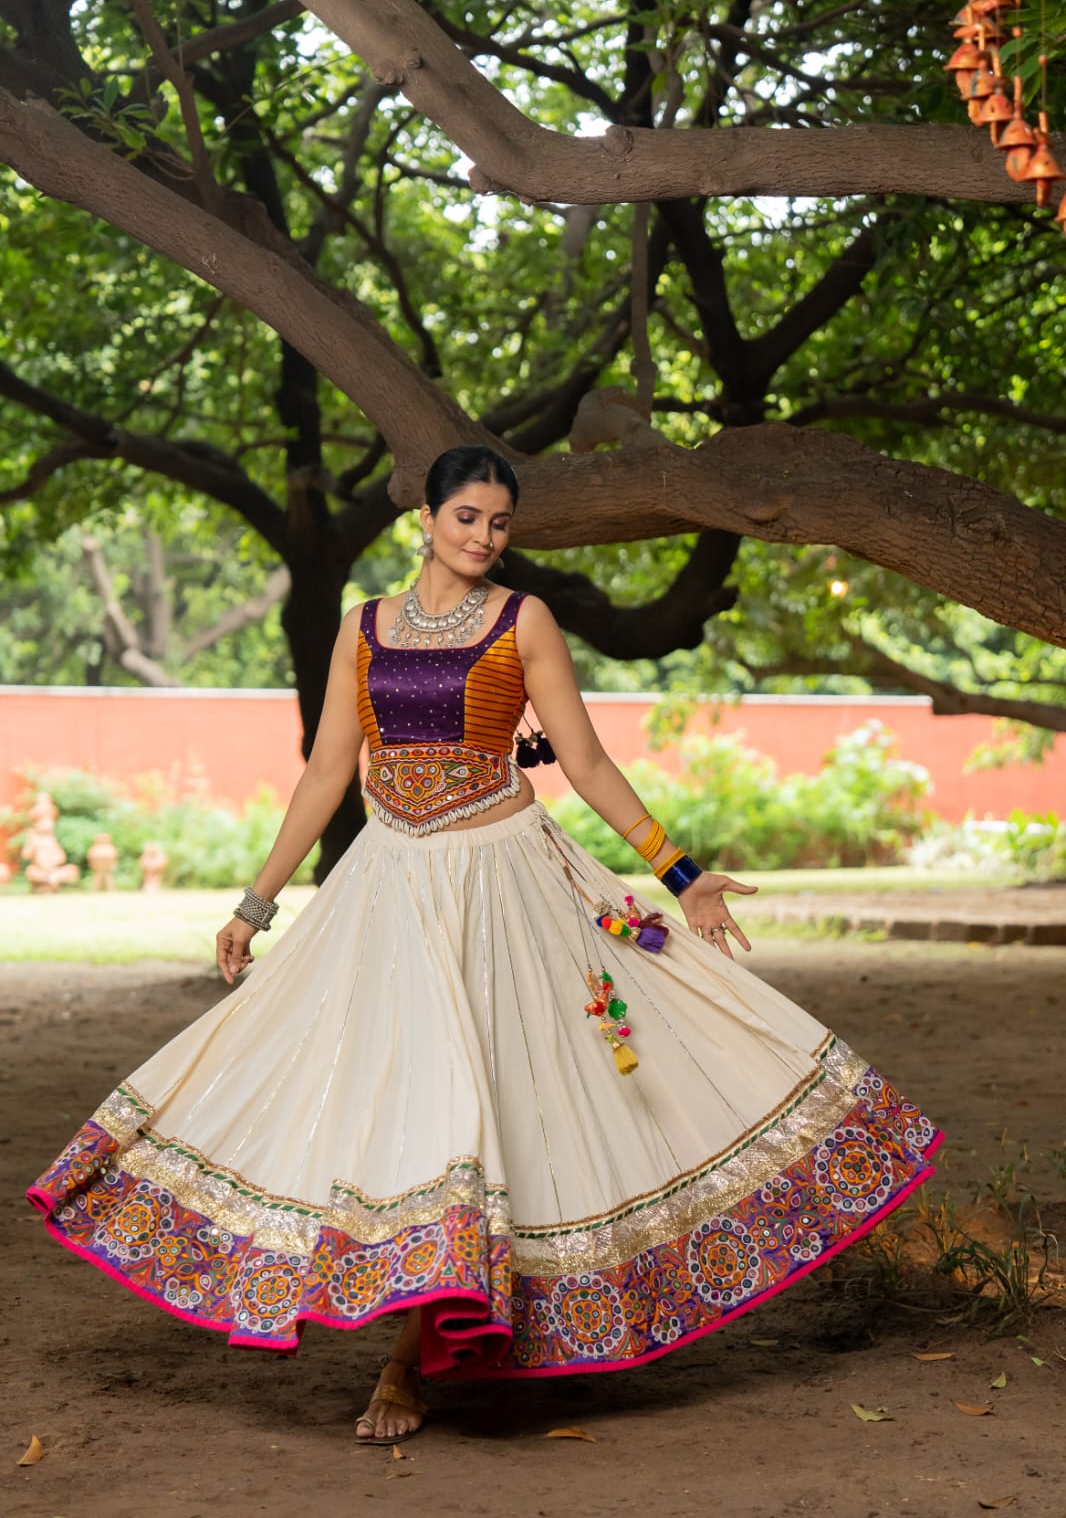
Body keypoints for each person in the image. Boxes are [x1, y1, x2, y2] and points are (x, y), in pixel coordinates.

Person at [29, 445, 941, 1447]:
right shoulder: (362, 629)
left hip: (504, 878)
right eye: (466, 516)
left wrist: (681, 875)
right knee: (405, 1098)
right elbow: (328, 770)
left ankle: (407, 1362)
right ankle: (412, 1342)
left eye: (499, 522)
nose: (483, 536)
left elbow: (583, 759)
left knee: (498, 1093)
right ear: (425, 515)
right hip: (388, 887)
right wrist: (256, 902)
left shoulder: (524, 622)